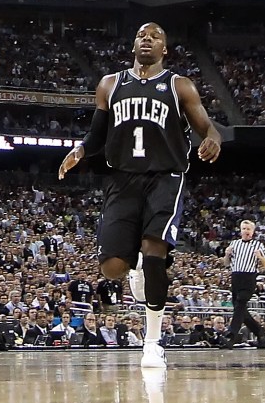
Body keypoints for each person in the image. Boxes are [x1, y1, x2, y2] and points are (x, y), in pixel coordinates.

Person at [58, 22, 223, 370]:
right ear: (133, 45)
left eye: (155, 36)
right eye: (141, 35)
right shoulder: (110, 84)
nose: (147, 39)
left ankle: (153, 342)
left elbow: (207, 127)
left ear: (165, 49)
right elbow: (96, 135)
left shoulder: (179, 85)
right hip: (122, 180)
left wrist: (213, 139)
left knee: (155, 253)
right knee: (112, 269)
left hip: (165, 177)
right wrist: (80, 150)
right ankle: (134, 266)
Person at [225, 219, 265, 348]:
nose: (246, 231)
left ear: (253, 231)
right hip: (235, 277)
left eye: (248, 229)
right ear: (240, 230)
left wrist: (260, 257)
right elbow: (226, 264)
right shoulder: (234, 243)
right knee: (240, 309)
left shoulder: (258, 245)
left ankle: (231, 334)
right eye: (244, 229)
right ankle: (259, 331)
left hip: (249, 278)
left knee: (240, 303)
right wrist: (227, 255)